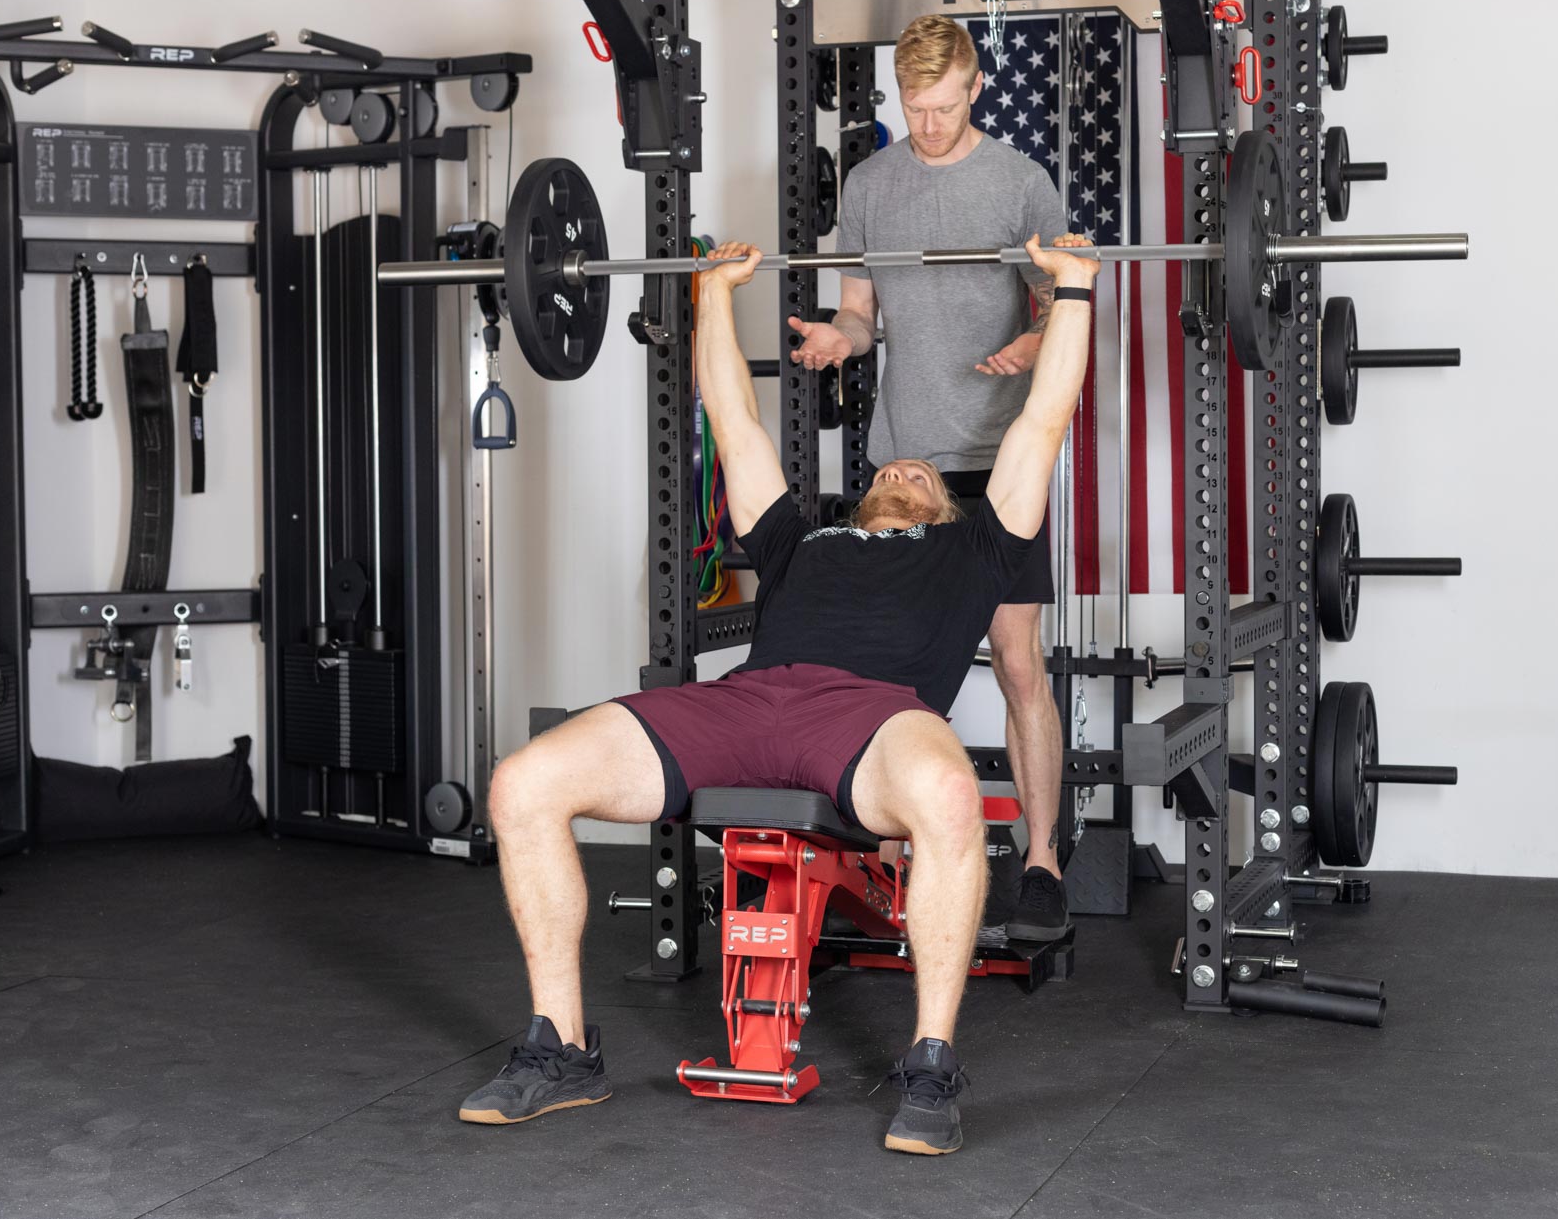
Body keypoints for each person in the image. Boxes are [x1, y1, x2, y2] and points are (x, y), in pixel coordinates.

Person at [460, 233, 1101, 1155]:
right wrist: (714, 293)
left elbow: (1042, 419)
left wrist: (1073, 290)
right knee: (522, 783)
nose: (904, 470)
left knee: (953, 796)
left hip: (873, 718)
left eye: (922, 475)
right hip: (746, 702)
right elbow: (732, 415)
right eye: (890, 469)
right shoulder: (804, 538)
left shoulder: (977, 548)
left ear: (947, 507)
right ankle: (560, 1051)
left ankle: (929, 1063)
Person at [789, 14, 1074, 942]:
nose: (932, 124)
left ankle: (1039, 861)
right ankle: (892, 863)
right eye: (916, 109)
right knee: (892, 673)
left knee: (1019, 663)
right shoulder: (872, 185)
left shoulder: (1022, 182)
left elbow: (1061, 305)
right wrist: (841, 338)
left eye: (946, 107)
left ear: (976, 87)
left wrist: (1029, 341)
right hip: (902, 464)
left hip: (998, 463)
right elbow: (861, 313)